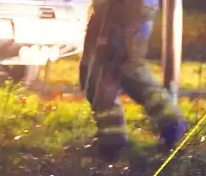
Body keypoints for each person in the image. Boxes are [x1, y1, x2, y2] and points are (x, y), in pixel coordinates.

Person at [79, 0, 187, 162]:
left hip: (126, 7)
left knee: (126, 70)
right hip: (109, 8)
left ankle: (171, 124)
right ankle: (111, 140)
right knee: (92, 75)